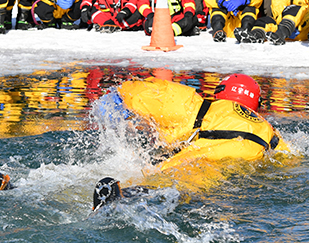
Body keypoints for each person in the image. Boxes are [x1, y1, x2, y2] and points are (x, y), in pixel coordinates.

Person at [91, 73, 289, 210]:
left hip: (204, 156)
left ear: (221, 92)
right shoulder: (269, 129)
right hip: (248, 161)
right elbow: (292, 157)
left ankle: (122, 197)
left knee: (172, 181)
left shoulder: (200, 106)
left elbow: (143, 92)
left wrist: (117, 98)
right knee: (203, 186)